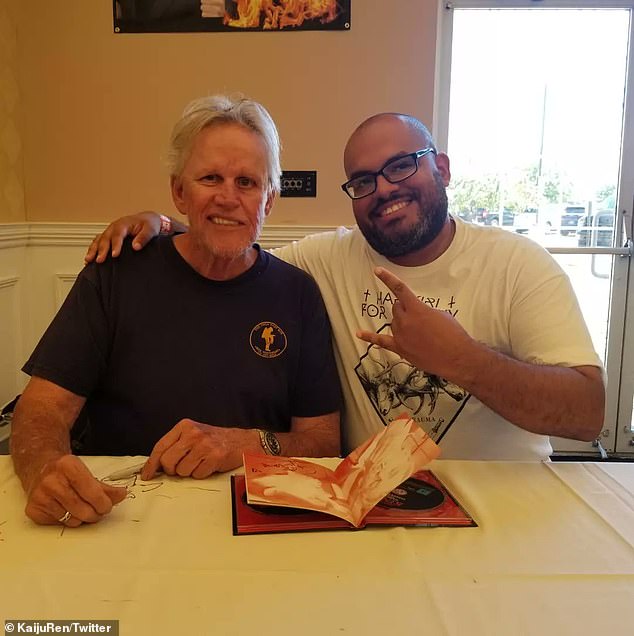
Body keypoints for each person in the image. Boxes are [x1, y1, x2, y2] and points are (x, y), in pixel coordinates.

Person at [84, 111, 605, 461]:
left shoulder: (517, 265)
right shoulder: (325, 258)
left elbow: (587, 415)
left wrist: (463, 360)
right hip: (364, 507)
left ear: (441, 169)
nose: (384, 190)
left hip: (503, 509)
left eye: (402, 167)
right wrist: (161, 223)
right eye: (363, 181)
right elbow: (233, 248)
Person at [10, 95, 341, 527]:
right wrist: (44, 469)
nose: (228, 197)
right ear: (178, 192)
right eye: (210, 178)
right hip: (118, 511)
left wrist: (239, 443)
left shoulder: (297, 294)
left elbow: (323, 442)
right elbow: (41, 409)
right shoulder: (116, 275)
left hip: (252, 519)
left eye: (247, 182)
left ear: (269, 200)